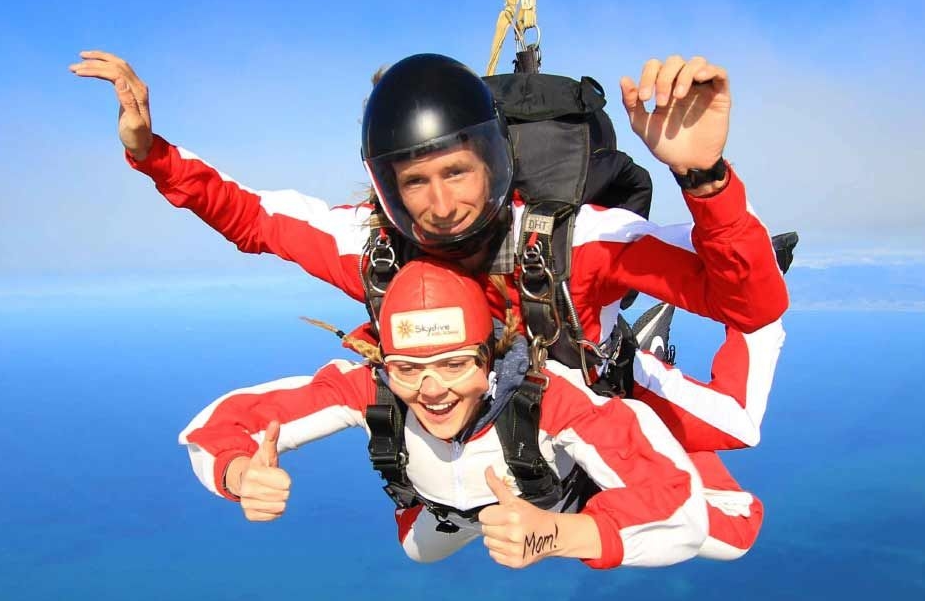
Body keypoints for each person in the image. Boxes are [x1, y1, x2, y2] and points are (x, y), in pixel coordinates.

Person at [70, 49, 792, 453]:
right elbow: (251, 218)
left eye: (456, 172)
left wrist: (704, 178)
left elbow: (749, 305)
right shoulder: (369, 244)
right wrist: (150, 151)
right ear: (385, 186)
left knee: (737, 428)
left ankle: (653, 348)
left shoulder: (577, 242)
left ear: (494, 161)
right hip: (487, 404)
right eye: (416, 182)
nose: (441, 205)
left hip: (585, 378)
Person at [180, 261, 765, 569]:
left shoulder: (549, 397)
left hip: (563, 500)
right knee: (417, 550)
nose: (432, 390)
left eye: (455, 364)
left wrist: (560, 535)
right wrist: (237, 475)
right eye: (409, 369)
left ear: (491, 357)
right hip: (454, 512)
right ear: (386, 362)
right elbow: (216, 428)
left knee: (734, 532)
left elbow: (676, 506)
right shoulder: (370, 386)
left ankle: (736, 338)